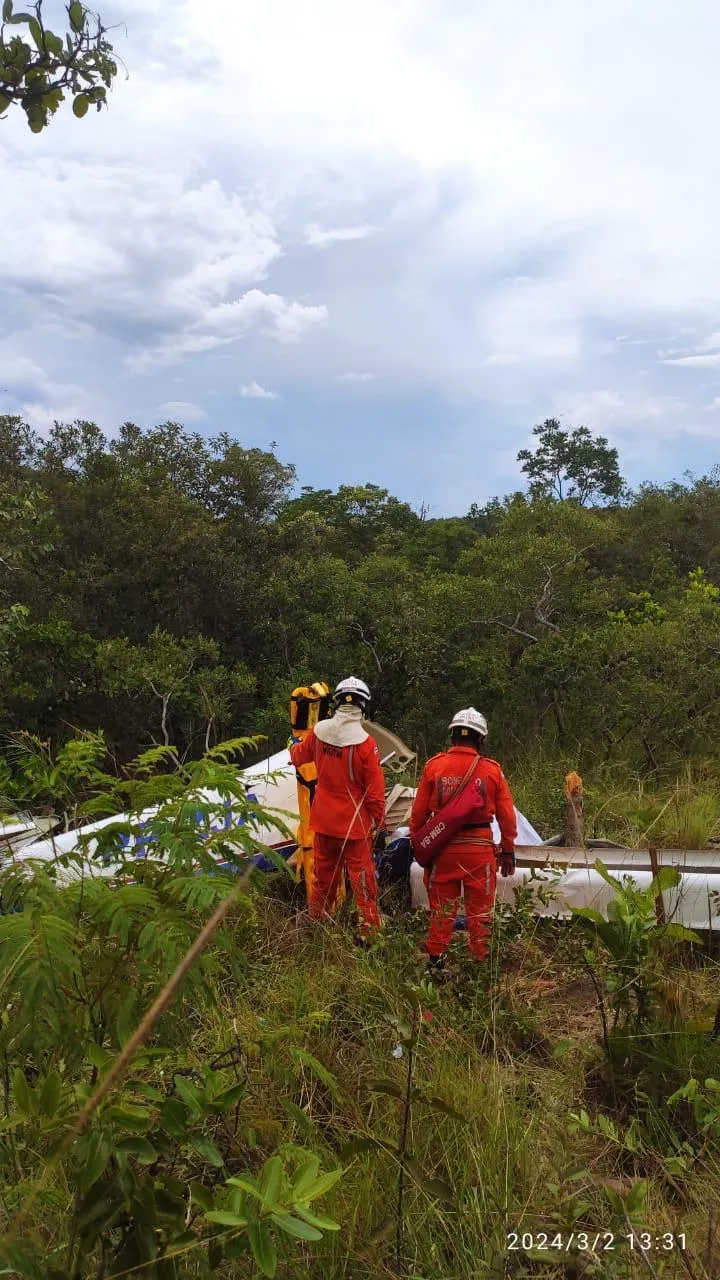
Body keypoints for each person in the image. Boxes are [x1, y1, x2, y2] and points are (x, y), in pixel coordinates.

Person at [409, 708, 517, 971]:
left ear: (452, 737)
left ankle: (436, 963)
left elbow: (418, 816)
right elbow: (507, 817)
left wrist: (423, 847)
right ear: (481, 740)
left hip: (443, 850)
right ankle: (479, 966)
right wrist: (508, 850)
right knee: (480, 912)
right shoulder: (492, 770)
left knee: (441, 911)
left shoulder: (434, 766)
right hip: (479, 853)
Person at [289, 676, 386, 943]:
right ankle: (369, 936)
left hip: (323, 822)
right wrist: (382, 824)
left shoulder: (319, 733)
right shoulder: (366, 745)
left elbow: (297, 756)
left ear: (336, 703)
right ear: (363, 706)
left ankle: (315, 927)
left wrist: (294, 740)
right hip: (355, 827)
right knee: (363, 883)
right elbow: (375, 794)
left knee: (324, 880)